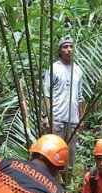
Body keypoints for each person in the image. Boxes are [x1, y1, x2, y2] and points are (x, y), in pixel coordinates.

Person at [43, 35, 84, 170]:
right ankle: (54, 180)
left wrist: (81, 118)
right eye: (65, 47)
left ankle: (69, 181)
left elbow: (80, 97)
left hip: (73, 118)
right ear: (60, 50)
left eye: (71, 46)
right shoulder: (54, 68)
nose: (69, 49)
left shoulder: (78, 70)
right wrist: (46, 116)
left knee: (71, 152)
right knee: (55, 151)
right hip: (57, 117)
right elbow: (47, 94)